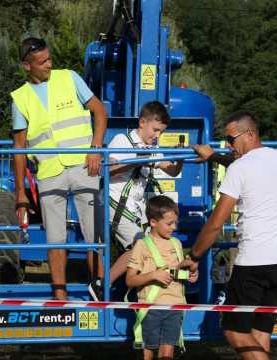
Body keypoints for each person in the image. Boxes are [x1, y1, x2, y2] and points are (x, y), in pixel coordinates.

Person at [182, 111, 277, 360]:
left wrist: (195, 255)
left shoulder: (241, 168)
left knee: (234, 330)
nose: (228, 145)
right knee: (260, 332)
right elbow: (246, 168)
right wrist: (215, 156)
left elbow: (215, 223)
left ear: (250, 134)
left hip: (254, 263)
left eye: (231, 139)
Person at [11, 37, 107, 300]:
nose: (49, 65)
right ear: (26, 66)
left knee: (95, 236)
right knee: (55, 239)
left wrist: (95, 148)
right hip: (49, 174)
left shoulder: (69, 77)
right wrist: (20, 193)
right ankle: (60, 298)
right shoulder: (19, 98)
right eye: (42, 62)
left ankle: (98, 290)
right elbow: (18, 151)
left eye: (49, 58)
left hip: (84, 167)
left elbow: (99, 111)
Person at [99, 101, 183, 296]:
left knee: (149, 246)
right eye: (155, 130)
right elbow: (108, 170)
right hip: (115, 203)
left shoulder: (153, 148)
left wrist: (180, 158)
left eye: (161, 132)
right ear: (142, 122)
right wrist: (139, 159)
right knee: (139, 245)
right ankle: (102, 285)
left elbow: (171, 170)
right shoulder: (122, 141)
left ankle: (142, 293)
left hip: (135, 207)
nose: (157, 135)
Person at [126, 195, 198, 360]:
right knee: (147, 353)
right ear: (153, 222)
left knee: (167, 355)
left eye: (175, 223)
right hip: (150, 308)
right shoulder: (142, 245)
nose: (174, 227)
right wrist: (153, 275)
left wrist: (190, 274)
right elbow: (130, 280)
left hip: (175, 306)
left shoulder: (176, 244)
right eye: (169, 224)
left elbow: (177, 271)